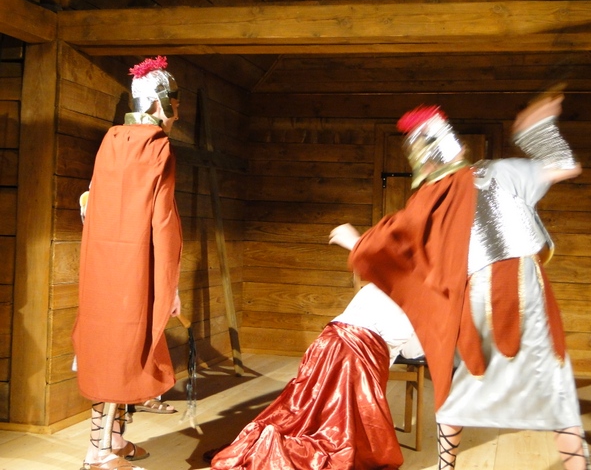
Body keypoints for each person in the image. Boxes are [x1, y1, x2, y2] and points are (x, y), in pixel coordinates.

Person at [329, 92, 591, 470]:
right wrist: (536, 129)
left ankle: (446, 466)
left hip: (478, 292)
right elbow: (565, 166)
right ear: (458, 147)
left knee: (458, 378)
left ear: (422, 161)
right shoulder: (499, 172)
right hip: (529, 285)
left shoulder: (431, 198)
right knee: (553, 383)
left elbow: (394, 242)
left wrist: (356, 242)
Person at [73, 55, 183, 470]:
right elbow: (163, 220)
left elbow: (89, 201)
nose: (176, 114)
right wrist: (169, 283)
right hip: (135, 264)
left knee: (112, 345)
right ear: (158, 103)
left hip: (103, 261)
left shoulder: (111, 140)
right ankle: (98, 452)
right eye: (174, 105)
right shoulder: (157, 146)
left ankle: (115, 438)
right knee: (122, 351)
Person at [207, 282, 424, 470]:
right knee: (345, 422)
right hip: (355, 357)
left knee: (304, 405)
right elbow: (413, 353)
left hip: (324, 343)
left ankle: (285, 433)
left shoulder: (375, 285)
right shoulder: (421, 302)